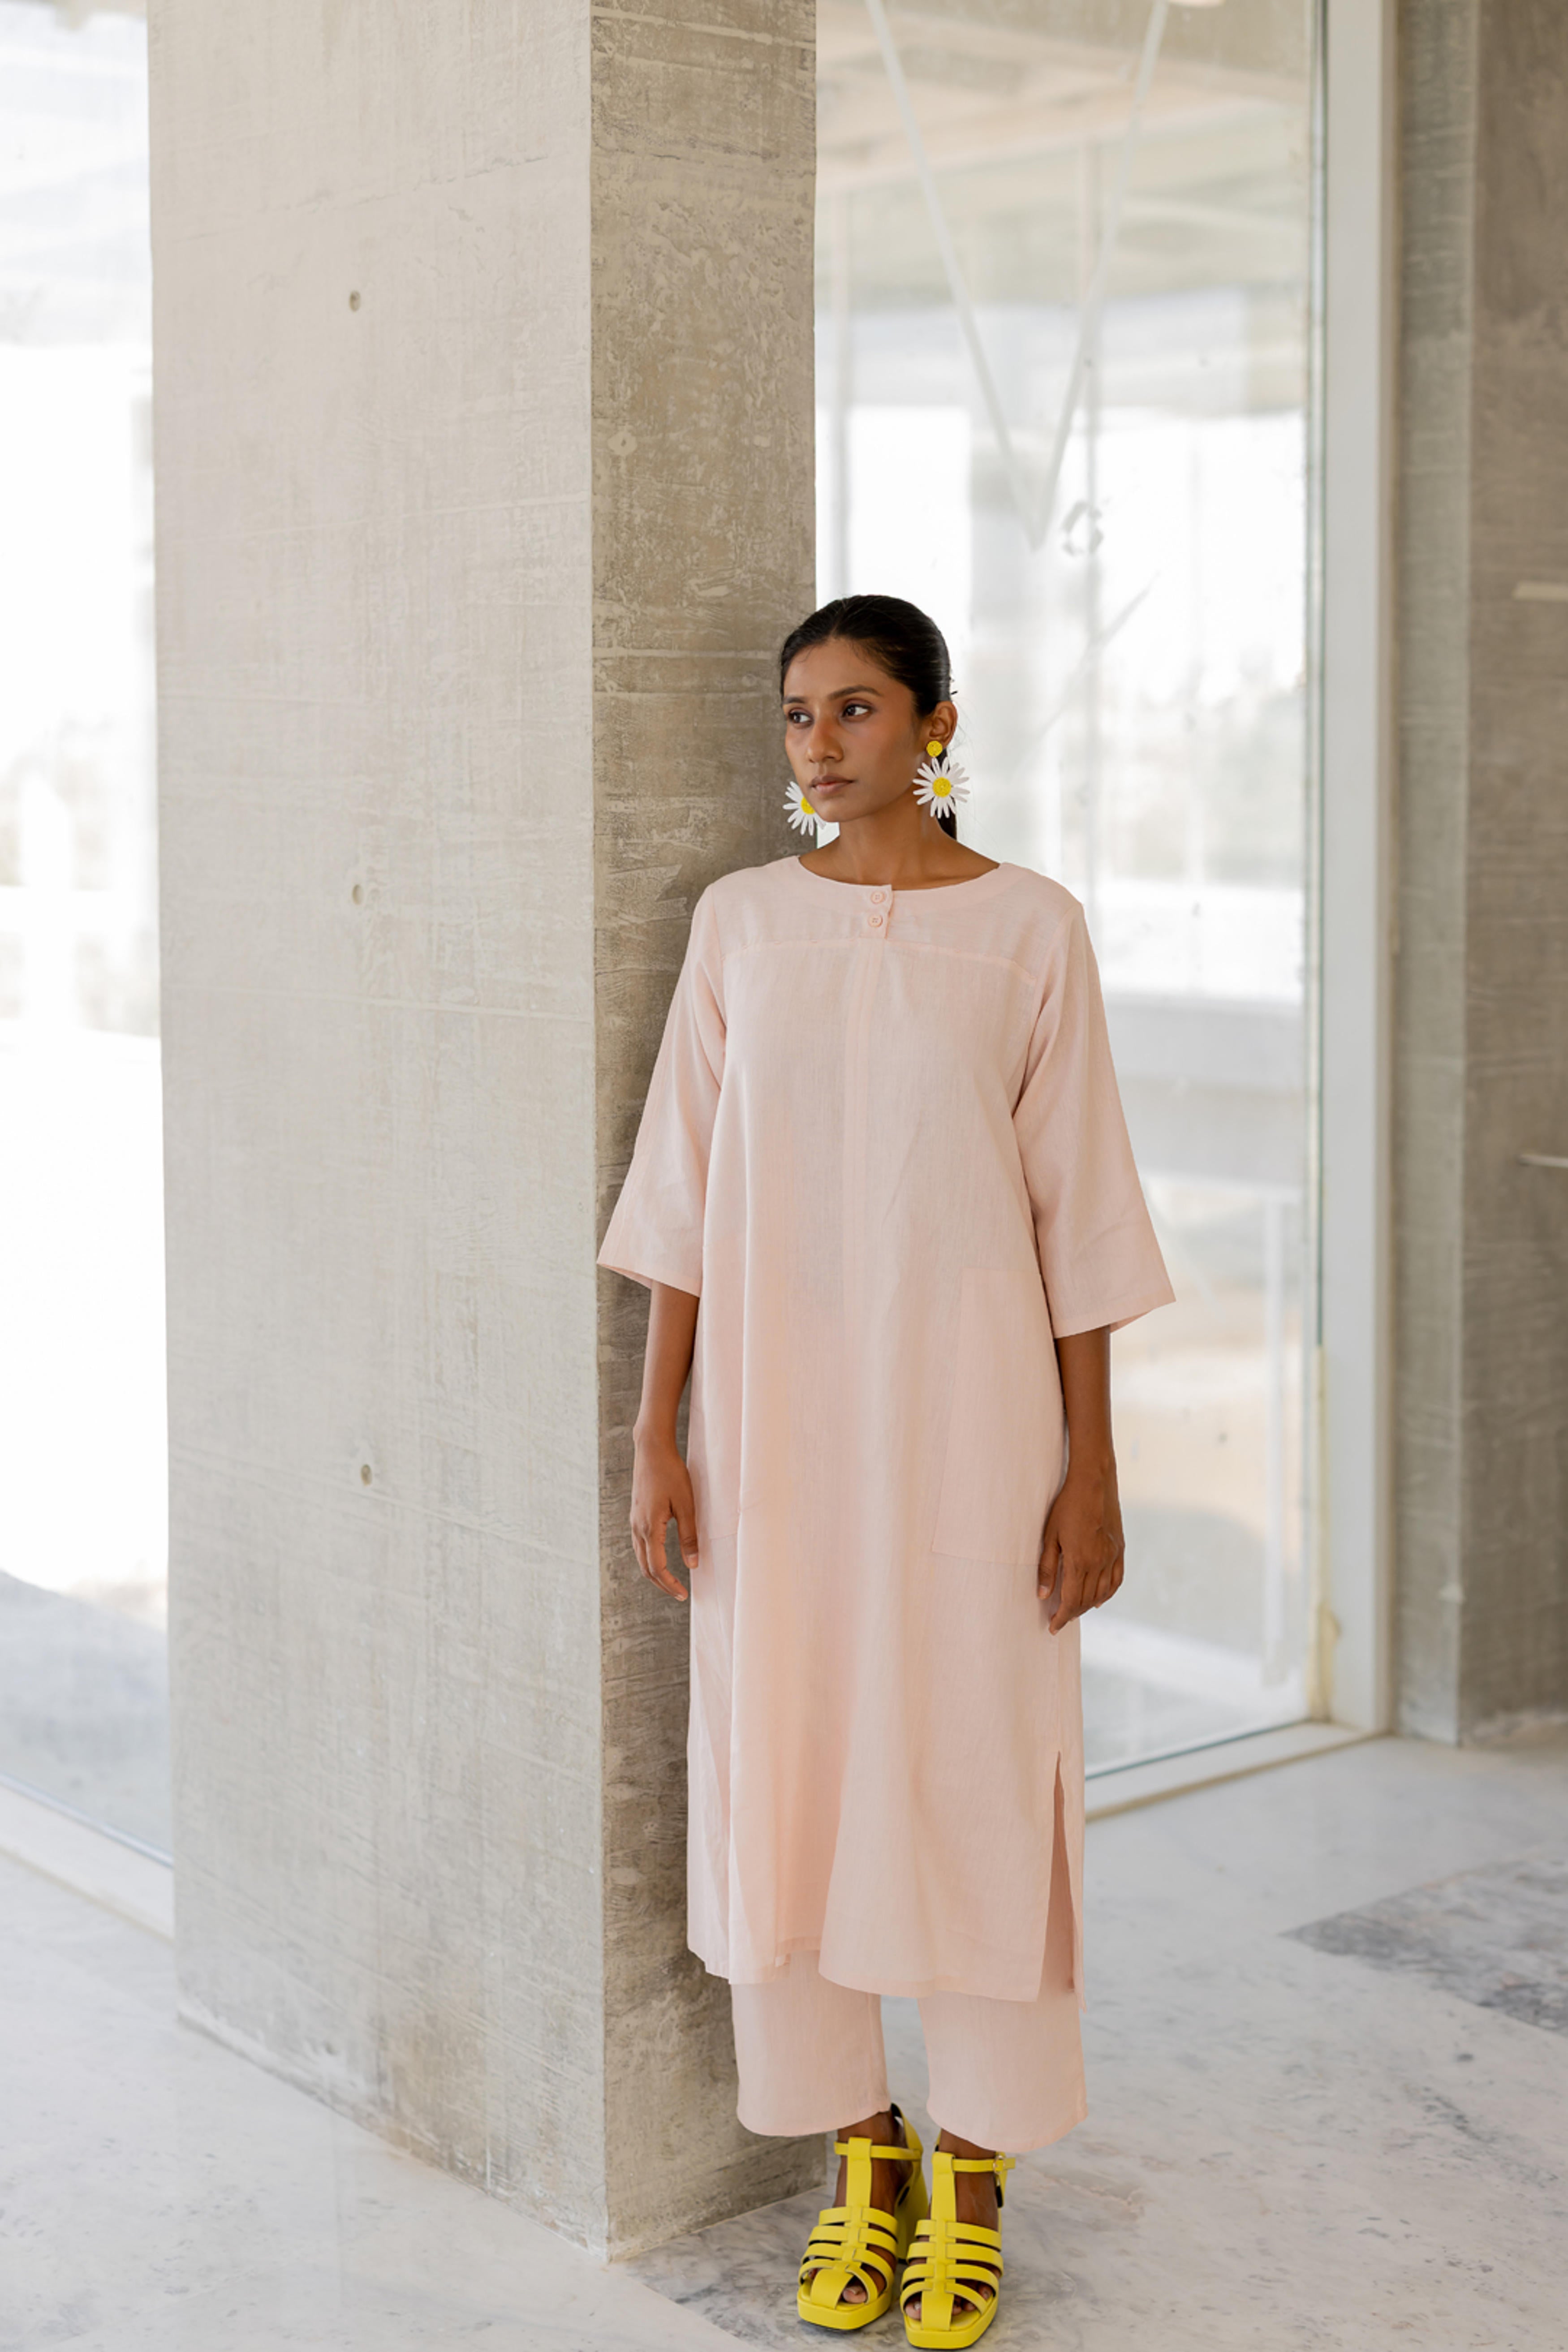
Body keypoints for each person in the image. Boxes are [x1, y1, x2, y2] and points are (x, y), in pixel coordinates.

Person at [598, 593, 1172, 2348]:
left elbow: (1079, 1216)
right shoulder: (741, 924)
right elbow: (684, 1194)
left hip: (975, 1430)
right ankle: (861, 2150)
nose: (820, 742)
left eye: (854, 707)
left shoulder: (1029, 930)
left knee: (979, 1761)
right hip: (769, 1434)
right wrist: (655, 1428)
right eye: (798, 714)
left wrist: (1090, 1468)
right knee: (785, 1759)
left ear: (934, 722)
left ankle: (976, 2170)